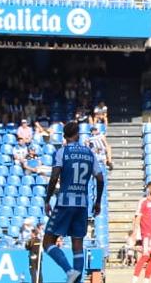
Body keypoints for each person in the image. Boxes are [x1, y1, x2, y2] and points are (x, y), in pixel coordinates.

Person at [42, 121, 105, 283]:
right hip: (82, 205)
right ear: (78, 134)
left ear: (65, 136)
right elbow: (100, 178)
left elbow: (54, 176)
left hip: (65, 203)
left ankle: (68, 270)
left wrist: (47, 199)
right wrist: (97, 201)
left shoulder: (62, 152)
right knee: (78, 245)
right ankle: (78, 280)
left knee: (48, 242)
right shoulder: (89, 153)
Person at [132, 182, 151, 283]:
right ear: (149, 189)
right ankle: (134, 280)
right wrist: (135, 232)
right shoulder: (143, 201)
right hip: (147, 234)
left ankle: (146, 280)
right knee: (145, 256)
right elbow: (138, 217)